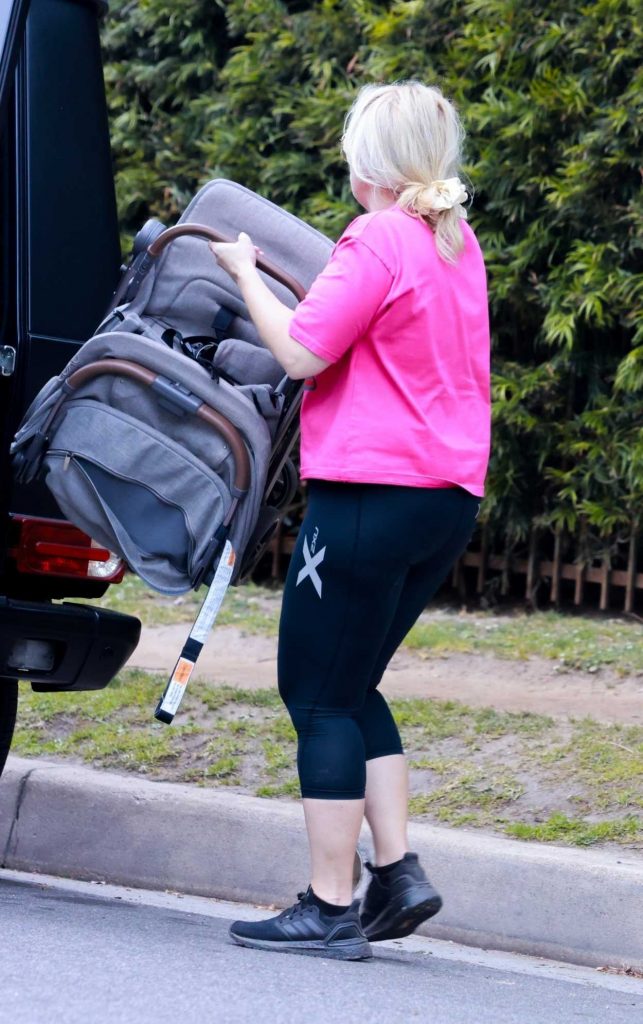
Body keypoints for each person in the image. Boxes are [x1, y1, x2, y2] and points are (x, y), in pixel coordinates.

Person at [209, 80, 491, 961]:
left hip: (368, 495)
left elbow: (298, 351)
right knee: (356, 680)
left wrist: (246, 275)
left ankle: (330, 905)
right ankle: (396, 872)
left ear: (365, 159)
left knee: (317, 693)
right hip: (445, 498)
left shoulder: (375, 237)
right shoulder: (455, 241)